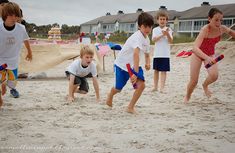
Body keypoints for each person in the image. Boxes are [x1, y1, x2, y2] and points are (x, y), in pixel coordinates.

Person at [105, 12, 154, 114]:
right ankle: (110, 94)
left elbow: (147, 54)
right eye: (145, 26)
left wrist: (148, 63)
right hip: (122, 65)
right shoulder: (137, 37)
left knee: (141, 86)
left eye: (150, 26)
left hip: (134, 65)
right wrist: (135, 74)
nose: (148, 29)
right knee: (118, 89)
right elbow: (136, 54)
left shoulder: (147, 39)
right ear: (140, 26)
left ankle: (130, 107)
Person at [184, 8, 235, 102]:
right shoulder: (205, 30)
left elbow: (232, 33)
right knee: (194, 81)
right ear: (209, 19)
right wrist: (206, 58)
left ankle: (205, 85)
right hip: (197, 54)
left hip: (210, 54)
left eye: (221, 20)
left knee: (214, 76)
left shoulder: (222, 29)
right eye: (216, 20)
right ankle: (187, 96)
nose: (219, 23)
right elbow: (195, 48)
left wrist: (209, 57)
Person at [0, 2, 33, 108]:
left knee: (12, 83)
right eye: (11, 15)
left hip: (13, 60)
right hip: (1, 59)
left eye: (16, 15)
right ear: (4, 15)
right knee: (0, 76)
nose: (14, 18)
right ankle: (1, 88)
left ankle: (6, 85)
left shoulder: (21, 28)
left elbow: (26, 40)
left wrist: (29, 52)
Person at [151, 10, 173, 93]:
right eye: (161, 19)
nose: (162, 21)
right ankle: (155, 87)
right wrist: (162, 35)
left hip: (165, 54)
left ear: (166, 21)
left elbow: (171, 41)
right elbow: (153, 40)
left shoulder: (169, 29)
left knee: (163, 71)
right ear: (157, 20)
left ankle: (162, 88)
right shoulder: (155, 30)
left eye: (164, 19)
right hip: (157, 54)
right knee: (156, 71)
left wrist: (167, 34)